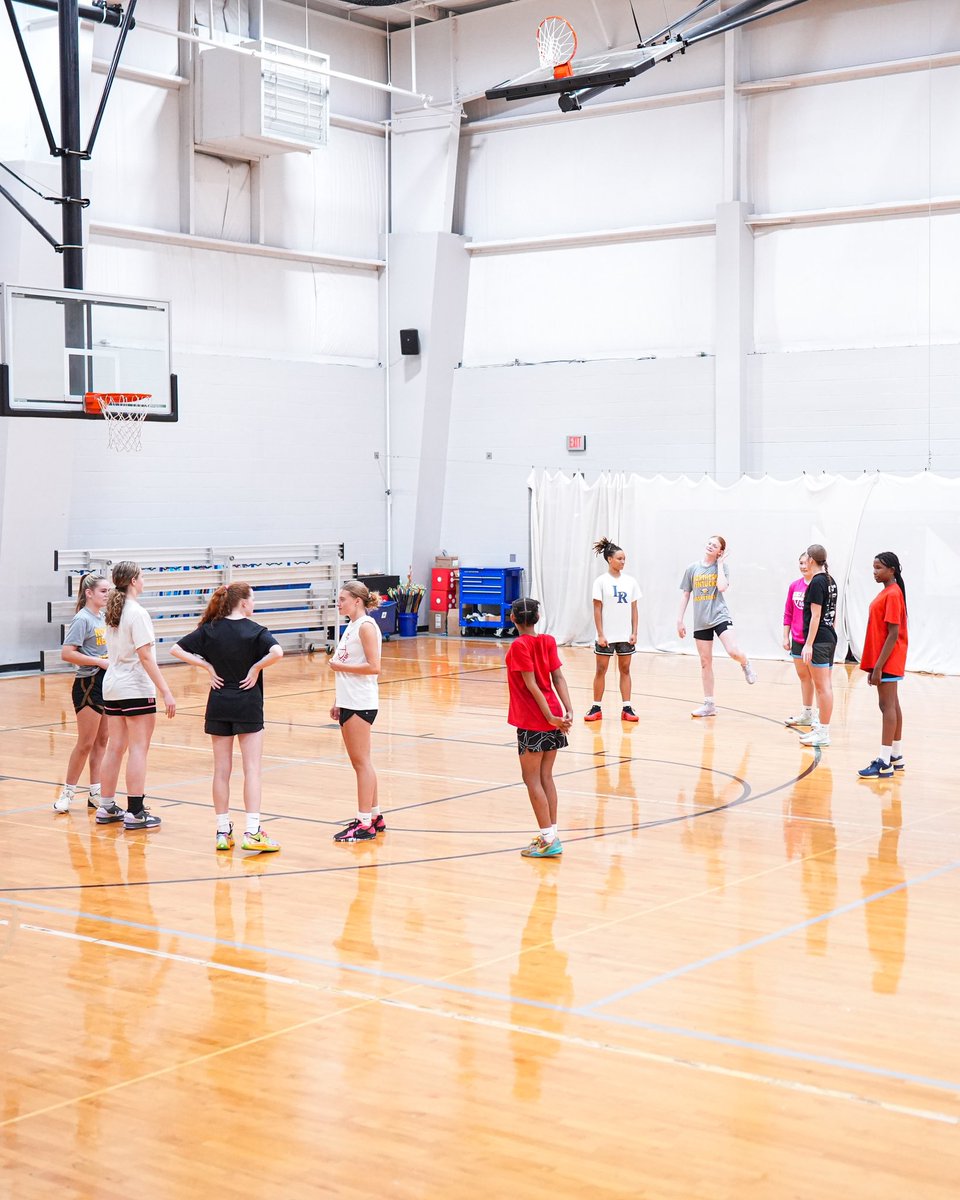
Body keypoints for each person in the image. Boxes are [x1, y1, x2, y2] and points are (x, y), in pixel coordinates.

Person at [170, 583, 283, 852]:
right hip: (247, 703)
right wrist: (256, 668)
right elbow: (277, 652)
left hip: (219, 702)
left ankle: (222, 831)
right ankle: (252, 832)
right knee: (252, 769)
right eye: (252, 599)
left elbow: (176, 649)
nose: (254, 604)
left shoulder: (210, 629)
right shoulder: (256, 631)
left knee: (221, 771)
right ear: (243, 603)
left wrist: (207, 666)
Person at [96, 561, 176, 830]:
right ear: (132, 581)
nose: (144, 581)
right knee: (138, 748)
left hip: (113, 686)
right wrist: (166, 691)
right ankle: (135, 812)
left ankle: (106, 806)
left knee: (115, 747)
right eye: (142, 576)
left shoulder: (113, 612)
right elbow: (145, 656)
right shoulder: (137, 613)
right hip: (135, 687)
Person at [505, 596, 573, 858]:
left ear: (513, 618)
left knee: (531, 779)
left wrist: (550, 717)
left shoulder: (519, 645)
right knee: (546, 777)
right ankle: (551, 834)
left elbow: (531, 685)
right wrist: (567, 710)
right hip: (553, 714)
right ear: (538, 617)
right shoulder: (548, 641)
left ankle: (548, 839)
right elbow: (558, 677)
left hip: (534, 719)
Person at [328, 580, 386, 842]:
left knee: (361, 763)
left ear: (357, 601)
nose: (338, 603)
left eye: (342, 599)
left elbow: (374, 667)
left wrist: (340, 668)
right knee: (363, 762)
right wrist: (338, 700)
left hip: (361, 702)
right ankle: (374, 816)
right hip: (349, 699)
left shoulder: (365, 627)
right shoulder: (351, 626)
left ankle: (364, 824)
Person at [677, 535, 757, 718]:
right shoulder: (692, 568)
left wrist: (720, 564)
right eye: (709, 543)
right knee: (705, 662)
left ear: (720, 551)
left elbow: (721, 587)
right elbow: (685, 595)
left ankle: (745, 663)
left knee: (733, 651)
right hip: (701, 620)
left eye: (715, 545)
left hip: (720, 616)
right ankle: (709, 705)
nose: (710, 546)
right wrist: (679, 620)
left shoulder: (722, 567)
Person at [53, 573, 111, 813]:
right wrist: (98, 661)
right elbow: (67, 653)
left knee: (102, 740)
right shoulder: (82, 619)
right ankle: (67, 793)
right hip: (88, 683)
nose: (107, 595)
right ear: (89, 593)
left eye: (108, 591)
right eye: (103, 591)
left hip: (107, 682)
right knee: (85, 742)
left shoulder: (103, 617)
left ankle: (95, 793)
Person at [857, 552, 908, 780]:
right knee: (892, 705)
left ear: (892, 570)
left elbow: (893, 633)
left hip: (888, 659)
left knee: (886, 706)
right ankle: (896, 755)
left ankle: (884, 762)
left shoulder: (893, 594)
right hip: (886, 658)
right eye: (873, 567)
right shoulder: (889, 592)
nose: (874, 572)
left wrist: (878, 667)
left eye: (878, 568)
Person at [584, 537, 642, 724]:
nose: (623, 561)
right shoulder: (600, 581)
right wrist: (601, 634)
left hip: (624, 635)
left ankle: (627, 707)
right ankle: (596, 707)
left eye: (624, 558)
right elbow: (597, 609)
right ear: (610, 559)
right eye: (619, 558)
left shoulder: (631, 582)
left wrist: (634, 632)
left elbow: (634, 609)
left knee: (625, 669)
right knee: (601, 670)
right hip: (606, 636)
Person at [797, 544, 839, 749]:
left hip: (819, 640)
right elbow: (833, 614)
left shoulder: (816, 582)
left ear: (811, 560)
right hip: (829, 637)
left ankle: (823, 732)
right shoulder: (830, 580)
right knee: (825, 686)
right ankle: (821, 728)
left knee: (822, 688)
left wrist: (808, 644)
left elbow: (815, 616)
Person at [782, 553, 816, 729]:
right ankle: (807, 713)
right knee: (804, 677)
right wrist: (785, 636)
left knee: (819, 679)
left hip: (814, 640)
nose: (803, 566)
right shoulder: (794, 586)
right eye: (800, 563)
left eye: (806, 563)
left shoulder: (819, 585)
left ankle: (820, 717)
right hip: (797, 639)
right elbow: (788, 612)